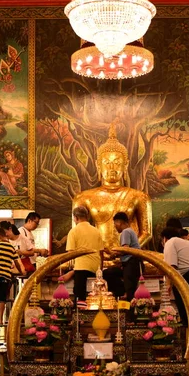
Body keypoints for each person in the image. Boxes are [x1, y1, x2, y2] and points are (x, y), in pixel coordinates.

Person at [72, 123, 152, 263]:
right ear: (98, 165)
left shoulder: (139, 196)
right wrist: (100, 251)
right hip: (97, 254)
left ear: (125, 165)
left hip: (128, 255)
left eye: (116, 162)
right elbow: (78, 232)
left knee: (160, 261)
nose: (112, 167)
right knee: (58, 263)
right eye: (107, 162)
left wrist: (122, 252)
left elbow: (146, 233)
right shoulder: (83, 197)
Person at [63, 206, 104, 308]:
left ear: (76, 217)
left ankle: (80, 313)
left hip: (81, 267)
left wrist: (71, 270)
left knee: (79, 291)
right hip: (96, 267)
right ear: (87, 216)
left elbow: (70, 254)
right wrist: (100, 270)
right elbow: (101, 253)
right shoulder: (96, 231)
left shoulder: (74, 231)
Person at [109, 212, 142, 301]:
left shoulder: (126, 232)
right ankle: (123, 292)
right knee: (110, 272)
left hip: (131, 263)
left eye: (115, 224)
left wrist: (114, 254)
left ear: (120, 222)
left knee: (130, 290)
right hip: (132, 263)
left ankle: (129, 309)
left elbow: (126, 249)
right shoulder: (131, 231)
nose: (115, 227)